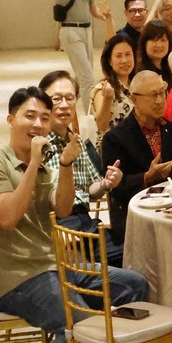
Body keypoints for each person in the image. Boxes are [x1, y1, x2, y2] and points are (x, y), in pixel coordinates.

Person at [0, 87, 148, 343]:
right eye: (29, 116)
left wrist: (65, 165)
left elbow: (63, 208)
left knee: (134, 285)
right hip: (16, 277)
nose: (38, 124)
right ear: (10, 120)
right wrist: (33, 164)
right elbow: (7, 218)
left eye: (44, 118)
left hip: (58, 265)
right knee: (81, 330)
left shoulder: (47, 167)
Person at [39, 72, 125, 263]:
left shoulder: (76, 140)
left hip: (86, 222)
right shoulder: (39, 145)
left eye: (69, 98)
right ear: (42, 102)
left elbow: (90, 190)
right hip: (58, 227)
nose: (64, 105)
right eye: (56, 99)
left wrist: (106, 183)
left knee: (135, 249)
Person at [102, 70, 172, 243]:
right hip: (137, 218)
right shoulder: (115, 138)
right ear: (134, 99)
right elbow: (116, 188)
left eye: (162, 93)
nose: (159, 101)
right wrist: (147, 177)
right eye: (152, 95)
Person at [39, 0, 109, 115]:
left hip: (87, 31)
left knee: (83, 76)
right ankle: (91, 118)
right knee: (87, 78)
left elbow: (92, 9)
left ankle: (72, 112)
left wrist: (105, 16)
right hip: (70, 31)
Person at [93, 34, 137, 137]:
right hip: (113, 144)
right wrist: (107, 99)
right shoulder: (102, 88)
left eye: (128, 54)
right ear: (110, 61)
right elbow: (102, 125)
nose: (124, 60)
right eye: (118, 56)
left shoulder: (137, 85)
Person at [136, 21, 172, 88]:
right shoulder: (140, 72)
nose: (159, 45)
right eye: (154, 40)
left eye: (163, 40)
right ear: (144, 43)